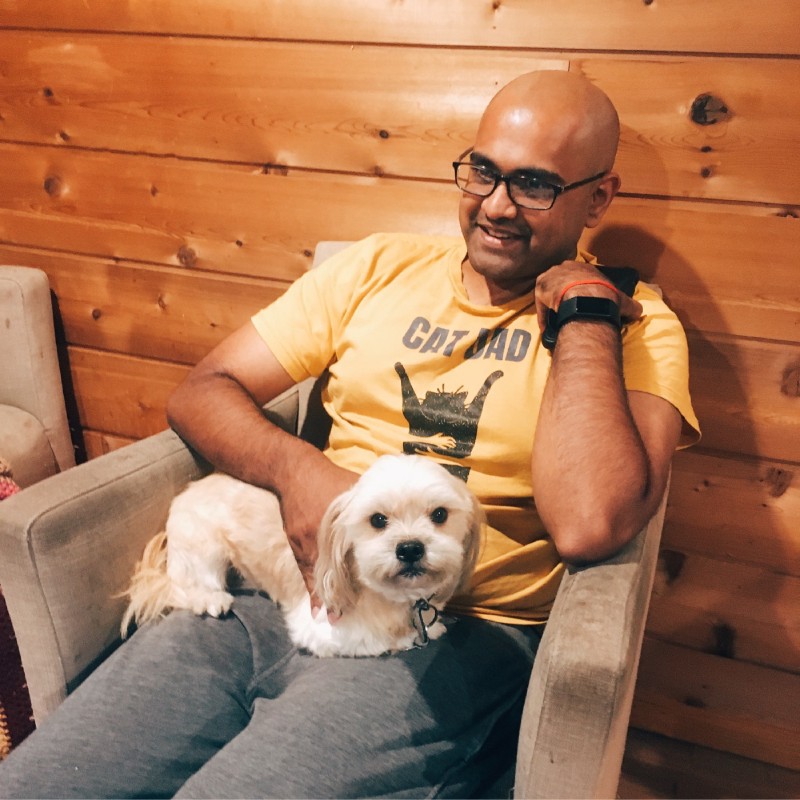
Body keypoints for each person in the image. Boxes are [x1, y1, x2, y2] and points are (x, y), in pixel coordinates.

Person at [0, 70, 699, 798]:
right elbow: (204, 391)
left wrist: (584, 317)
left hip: (448, 634)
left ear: (599, 197)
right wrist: (296, 470)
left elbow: (591, 524)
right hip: (279, 591)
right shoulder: (378, 267)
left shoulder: (636, 325)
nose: (495, 206)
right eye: (483, 171)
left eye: (534, 185)